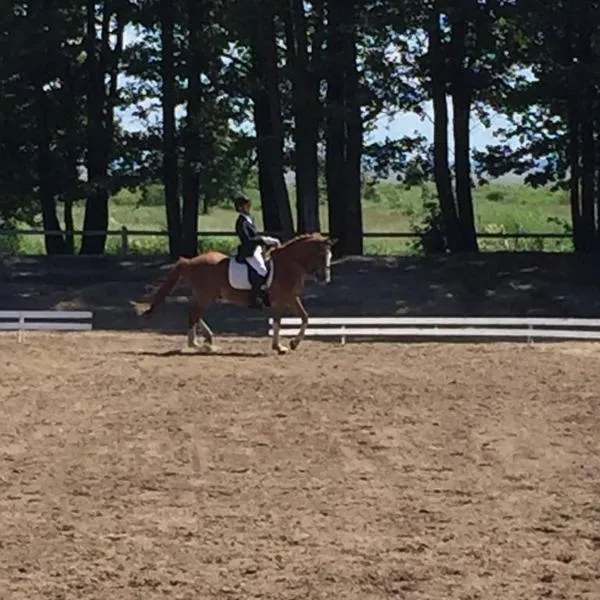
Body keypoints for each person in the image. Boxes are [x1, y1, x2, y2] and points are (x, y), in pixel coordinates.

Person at [233, 194, 280, 308]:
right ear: (241, 207)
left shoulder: (250, 219)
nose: (249, 206)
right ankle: (254, 298)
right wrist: (264, 240)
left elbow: (255, 235)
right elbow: (247, 239)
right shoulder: (241, 222)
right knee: (262, 270)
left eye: (249, 204)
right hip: (249, 251)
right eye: (246, 205)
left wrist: (264, 242)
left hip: (256, 249)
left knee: (269, 267)